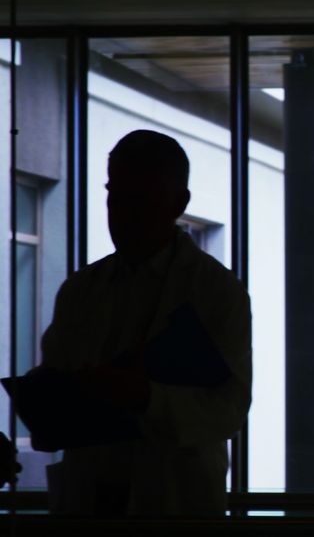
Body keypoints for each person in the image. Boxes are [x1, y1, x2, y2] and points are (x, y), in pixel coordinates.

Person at [36, 129, 251, 516]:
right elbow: (58, 376)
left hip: (176, 500)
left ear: (179, 203)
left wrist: (145, 397)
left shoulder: (217, 291)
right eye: (116, 197)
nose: (124, 214)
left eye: (142, 200)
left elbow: (229, 411)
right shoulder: (81, 288)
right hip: (92, 496)